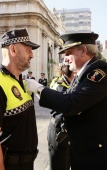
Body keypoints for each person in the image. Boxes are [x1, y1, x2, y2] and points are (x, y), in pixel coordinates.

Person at [24, 32, 107, 170]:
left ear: (84, 51)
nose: (65, 59)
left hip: (95, 154)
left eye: (68, 53)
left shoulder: (99, 73)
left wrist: (39, 89)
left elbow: (71, 104)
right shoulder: (83, 74)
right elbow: (66, 99)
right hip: (82, 148)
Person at [0, 28, 40, 170]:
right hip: (9, 165)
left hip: (25, 163)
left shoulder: (19, 80)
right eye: (28, 49)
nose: (32, 54)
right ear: (13, 49)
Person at [48, 64, 75, 170]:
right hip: (59, 129)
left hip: (69, 130)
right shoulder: (59, 84)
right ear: (70, 72)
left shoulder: (72, 82)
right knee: (59, 165)